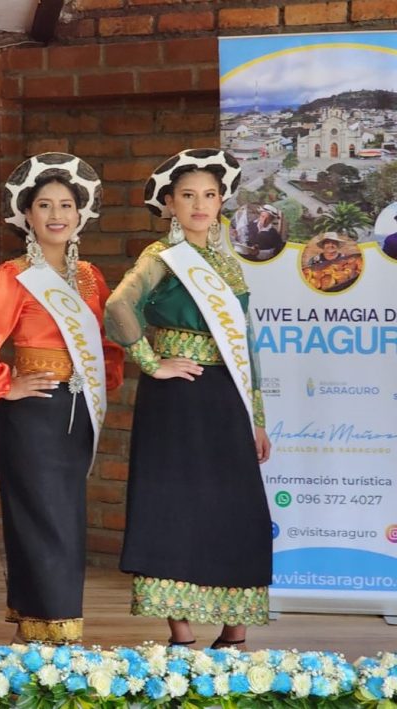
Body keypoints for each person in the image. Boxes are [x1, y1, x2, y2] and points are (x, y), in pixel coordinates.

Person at [105, 148, 272, 649]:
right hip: (176, 397)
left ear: (222, 201)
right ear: (170, 204)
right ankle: (180, 629)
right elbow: (118, 306)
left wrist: (257, 418)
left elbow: (246, 341)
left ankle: (235, 628)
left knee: (234, 503)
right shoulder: (161, 258)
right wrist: (153, 363)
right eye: (188, 195)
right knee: (171, 501)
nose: (200, 204)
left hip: (227, 394)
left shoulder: (230, 265)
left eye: (210, 195)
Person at [0, 154, 124, 644]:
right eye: (45, 205)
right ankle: (48, 625)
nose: (57, 214)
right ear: (27, 215)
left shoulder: (91, 277)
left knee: (66, 517)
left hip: (77, 411)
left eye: (67, 205)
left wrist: (102, 380)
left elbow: (106, 343)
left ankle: (49, 621)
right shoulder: (13, 275)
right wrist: (4, 384)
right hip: (32, 413)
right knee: (39, 517)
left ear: (81, 214)